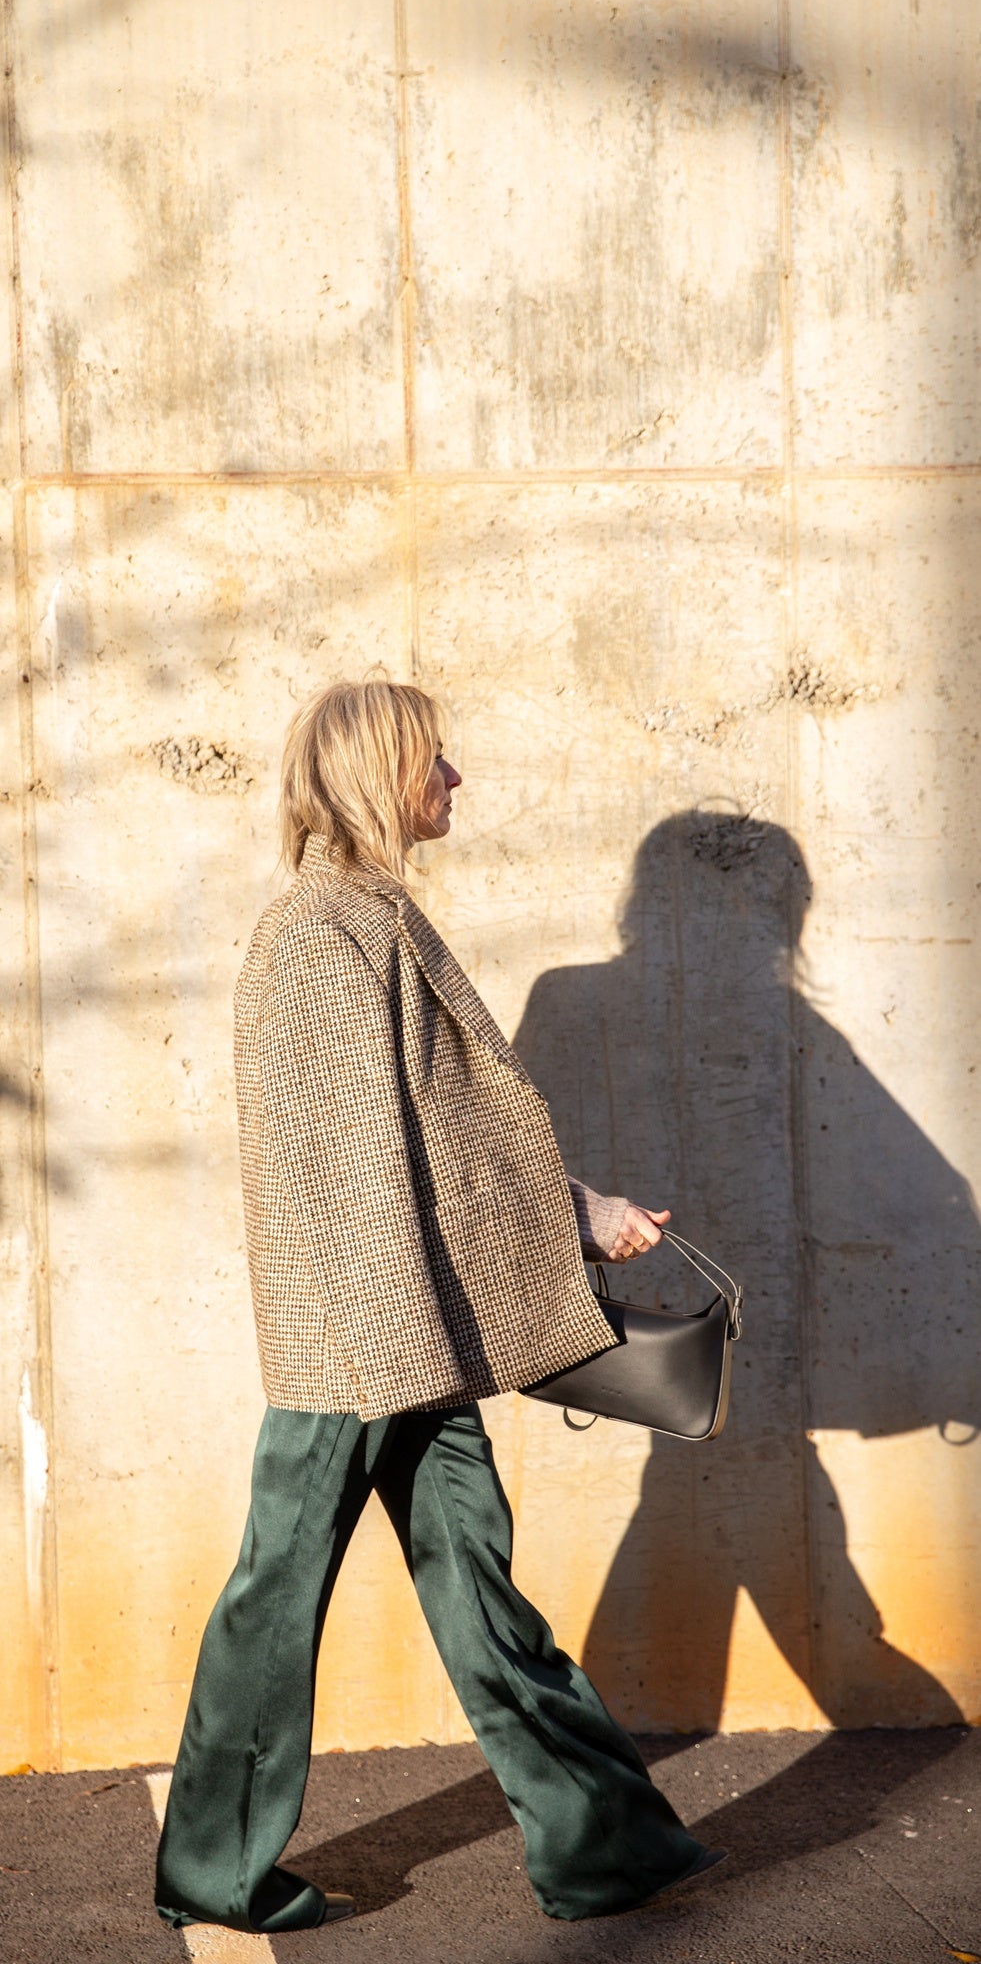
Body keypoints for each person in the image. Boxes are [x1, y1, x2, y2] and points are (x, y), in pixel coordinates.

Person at [153, 680, 724, 1935]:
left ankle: (601, 1842)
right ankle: (211, 1863)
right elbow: (350, 1164)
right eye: (433, 759)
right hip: (356, 1345)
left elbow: (444, 1133)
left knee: (477, 1581)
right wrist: (405, 1335)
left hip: (410, 1334)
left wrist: (576, 1207)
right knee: (276, 1598)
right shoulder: (319, 930)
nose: (454, 777)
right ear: (376, 775)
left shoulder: (377, 915)